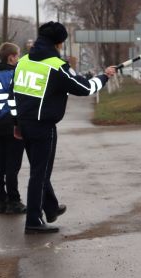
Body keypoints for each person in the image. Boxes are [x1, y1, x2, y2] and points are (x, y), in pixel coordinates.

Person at [11, 21, 116, 234]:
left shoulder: (22, 62)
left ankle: (50, 207)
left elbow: (14, 95)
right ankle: (33, 220)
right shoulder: (57, 66)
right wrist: (104, 76)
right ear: (59, 43)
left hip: (24, 123)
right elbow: (85, 88)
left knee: (38, 171)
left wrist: (16, 123)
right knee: (40, 174)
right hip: (43, 127)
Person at [0, 42, 26, 215]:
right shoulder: (16, 76)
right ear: (11, 57)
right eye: (18, 55)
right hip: (13, 124)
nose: (19, 58)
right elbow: (20, 100)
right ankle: (14, 201)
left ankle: (1, 201)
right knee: (13, 166)